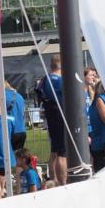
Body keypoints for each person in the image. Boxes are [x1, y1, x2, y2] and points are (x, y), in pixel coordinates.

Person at [37, 55, 67, 186]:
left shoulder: (44, 80)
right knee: (62, 151)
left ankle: (54, 178)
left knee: (55, 150)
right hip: (59, 115)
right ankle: (63, 181)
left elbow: (39, 94)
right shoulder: (59, 80)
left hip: (51, 115)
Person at [4, 80, 27, 151]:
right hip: (22, 130)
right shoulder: (20, 96)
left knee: (10, 157)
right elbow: (23, 112)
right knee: (19, 156)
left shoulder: (2, 96)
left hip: (11, 130)